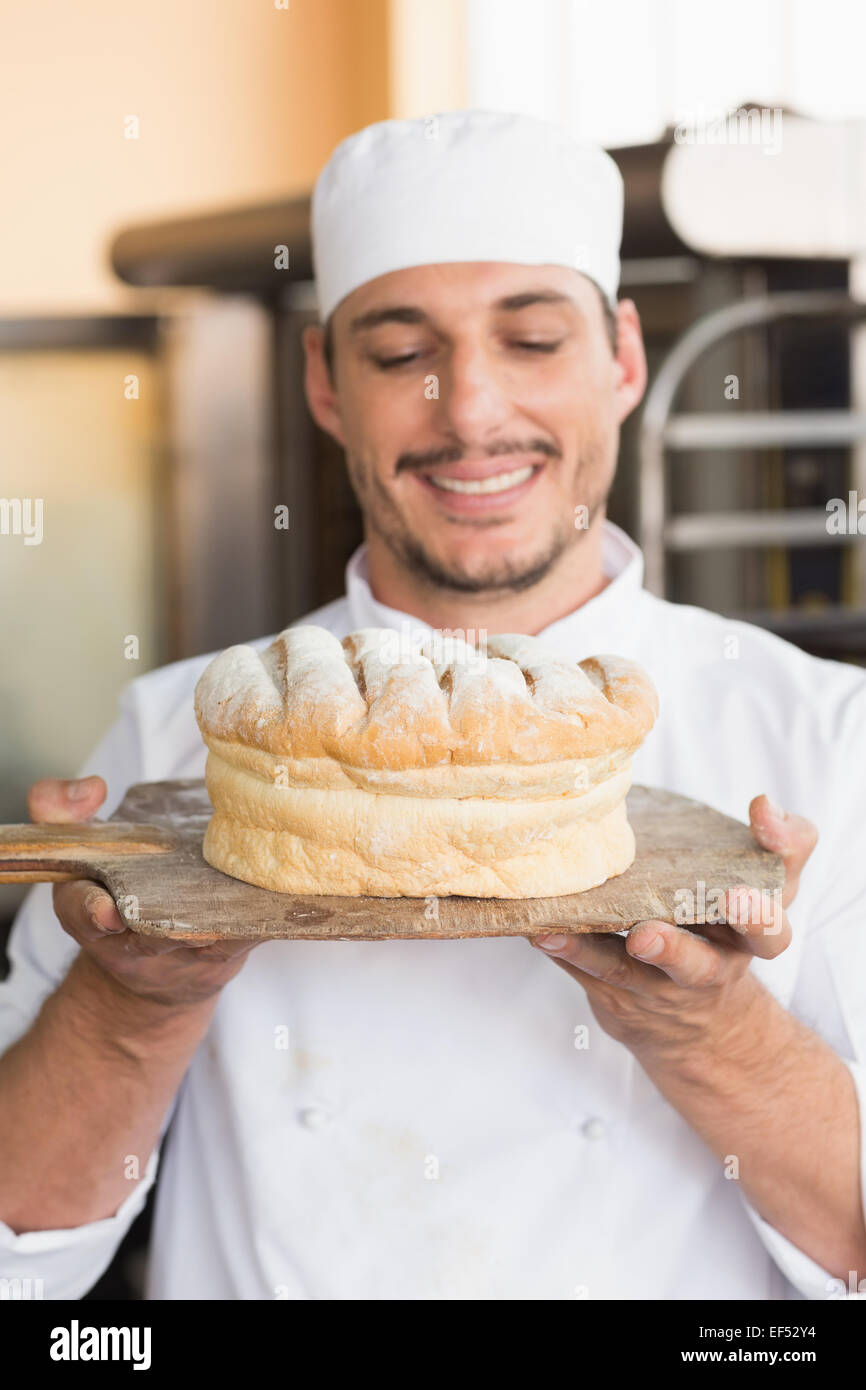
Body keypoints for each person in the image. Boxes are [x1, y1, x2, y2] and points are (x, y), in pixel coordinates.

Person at [1, 110, 865, 1301]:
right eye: (401, 351)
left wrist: (714, 1034)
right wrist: (130, 1007)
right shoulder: (169, 739)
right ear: (323, 381)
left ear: (620, 359)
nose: (467, 412)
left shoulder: (824, 740)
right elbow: (18, 1259)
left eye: (529, 341)